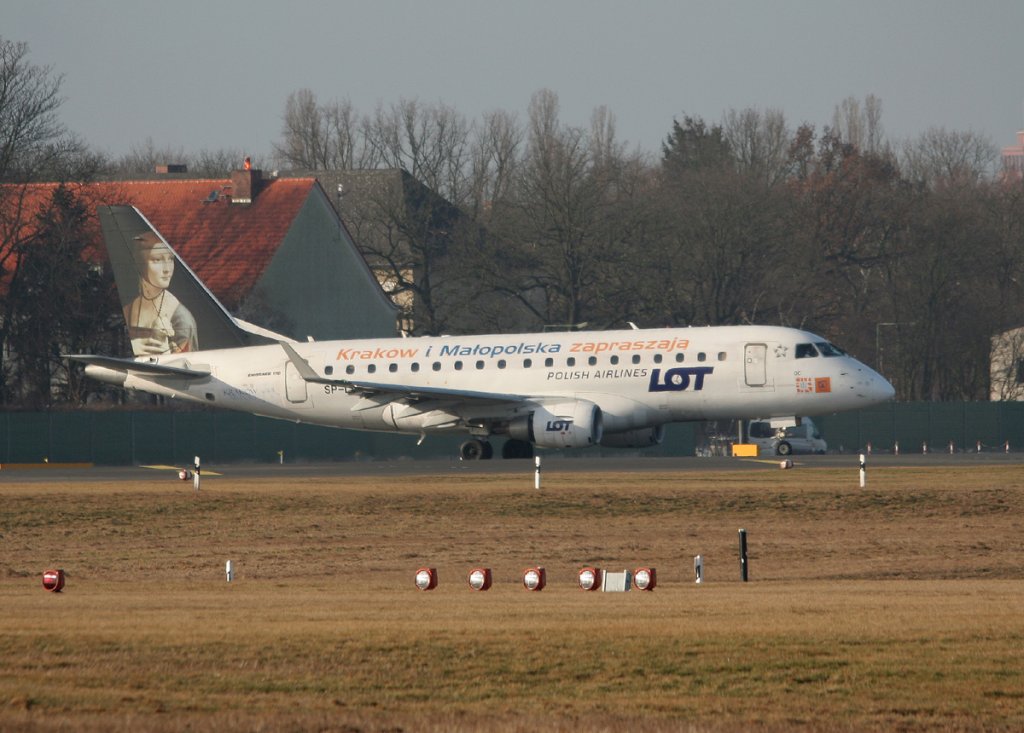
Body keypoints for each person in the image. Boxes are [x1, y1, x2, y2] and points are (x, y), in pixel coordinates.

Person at [123, 231, 198, 355]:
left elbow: (187, 365)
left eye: (170, 259)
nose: (167, 269)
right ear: (140, 263)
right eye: (157, 260)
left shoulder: (181, 320)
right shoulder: (128, 310)